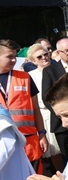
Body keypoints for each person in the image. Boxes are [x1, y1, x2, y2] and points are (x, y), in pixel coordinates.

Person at [0, 39, 49, 171]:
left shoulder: (25, 78)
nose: (14, 60)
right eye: (9, 57)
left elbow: (36, 109)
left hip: (28, 142)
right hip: (2, 141)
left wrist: (42, 134)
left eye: (15, 56)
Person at [26, 43, 63, 174]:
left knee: (62, 152)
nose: (44, 58)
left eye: (46, 54)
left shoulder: (58, 70)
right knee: (50, 154)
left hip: (60, 114)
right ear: (33, 61)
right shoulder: (30, 76)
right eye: (39, 57)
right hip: (43, 117)